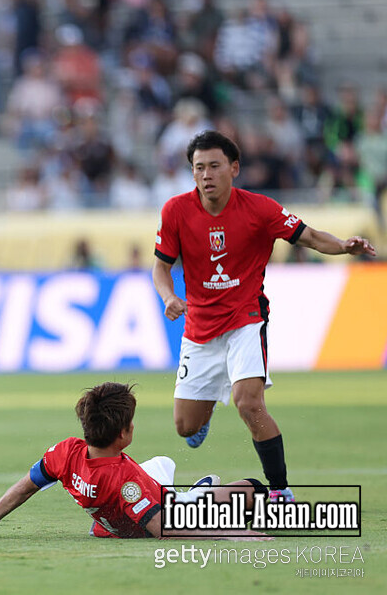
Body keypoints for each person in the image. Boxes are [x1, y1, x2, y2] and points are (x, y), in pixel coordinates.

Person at [152, 130, 376, 502]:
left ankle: (280, 491)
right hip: (199, 328)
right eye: (198, 168)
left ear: (234, 168)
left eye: (214, 166)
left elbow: (309, 236)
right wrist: (168, 296)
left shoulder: (259, 209)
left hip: (245, 319)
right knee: (184, 427)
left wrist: (343, 246)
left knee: (249, 403)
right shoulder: (175, 210)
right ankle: (203, 413)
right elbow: (160, 268)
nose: (206, 175)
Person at [0, 382, 270, 540]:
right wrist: (231, 531)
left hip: (129, 509)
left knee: (164, 468)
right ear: (125, 433)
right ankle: (195, 495)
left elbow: (25, 487)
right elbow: (164, 528)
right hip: (162, 504)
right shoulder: (126, 482)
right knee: (254, 491)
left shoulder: (66, 452)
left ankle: (191, 492)